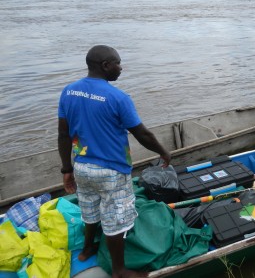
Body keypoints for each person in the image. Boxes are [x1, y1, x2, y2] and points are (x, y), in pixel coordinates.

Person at [58, 45, 171, 278]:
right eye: (118, 63)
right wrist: (163, 152)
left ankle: (87, 248)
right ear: (105, 65)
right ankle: (119, 270)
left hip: (82, 167)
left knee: (89, 207)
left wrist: (66, 169)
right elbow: (143, 134)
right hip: (111, 170)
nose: (121, 67)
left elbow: (63, 135)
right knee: (115, 217)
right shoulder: (118, 97)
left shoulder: (68, 92)